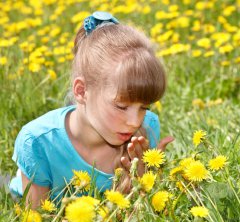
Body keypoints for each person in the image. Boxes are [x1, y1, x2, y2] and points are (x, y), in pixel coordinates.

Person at [9, 11, 174, 209]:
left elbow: (144, 215)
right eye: (121, 106)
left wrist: (142, 182)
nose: (134, 121)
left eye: (144, 107)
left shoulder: (147, 128)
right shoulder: (38, 142)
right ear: (81, 91)